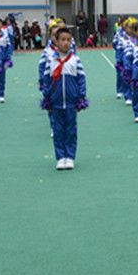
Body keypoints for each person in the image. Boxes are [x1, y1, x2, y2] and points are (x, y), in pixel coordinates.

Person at [42, 26, 88, 170]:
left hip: (71, 102)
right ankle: (61, 157)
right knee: (58, 130)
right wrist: (47, 97)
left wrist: (81, 97)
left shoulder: (75, 60)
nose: (66, 43)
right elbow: (46, 80)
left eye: (68, 40)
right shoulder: (51, 60)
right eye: (63, 40)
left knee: (71, 130)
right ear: (56, 41)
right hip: (56, 102)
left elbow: (81, 79)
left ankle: (70, 156)